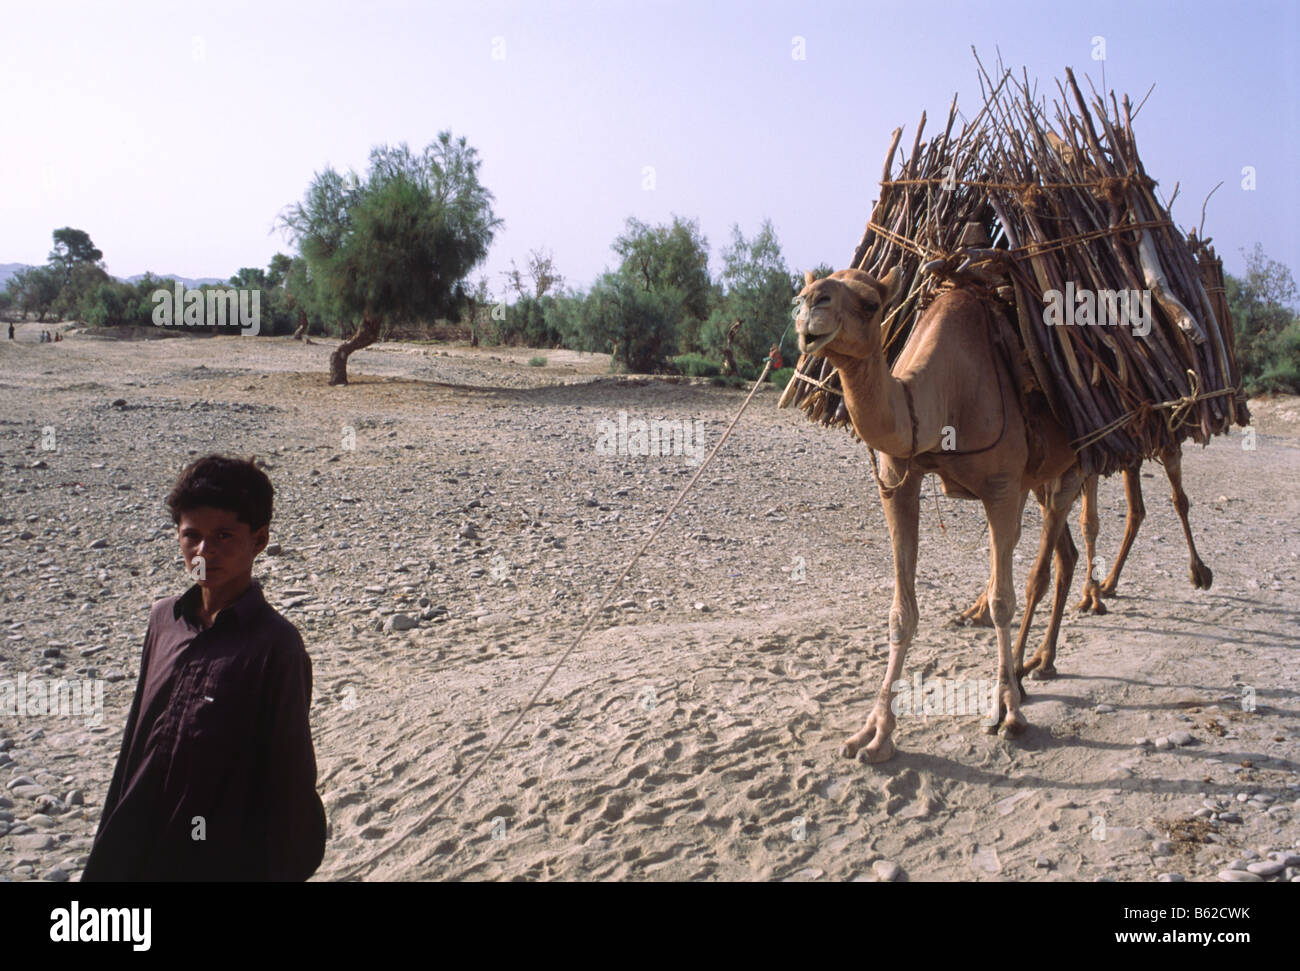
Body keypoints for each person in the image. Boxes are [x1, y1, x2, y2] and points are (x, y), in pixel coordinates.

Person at [82, 454, 327, 881]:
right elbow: (136, 740)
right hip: (142, 840)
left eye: (224, 536)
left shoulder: (275, 646)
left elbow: (288, 776)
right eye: (191, 535)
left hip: (216, 854)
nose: (203, 552)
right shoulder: (164, 620)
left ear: (260, 539)